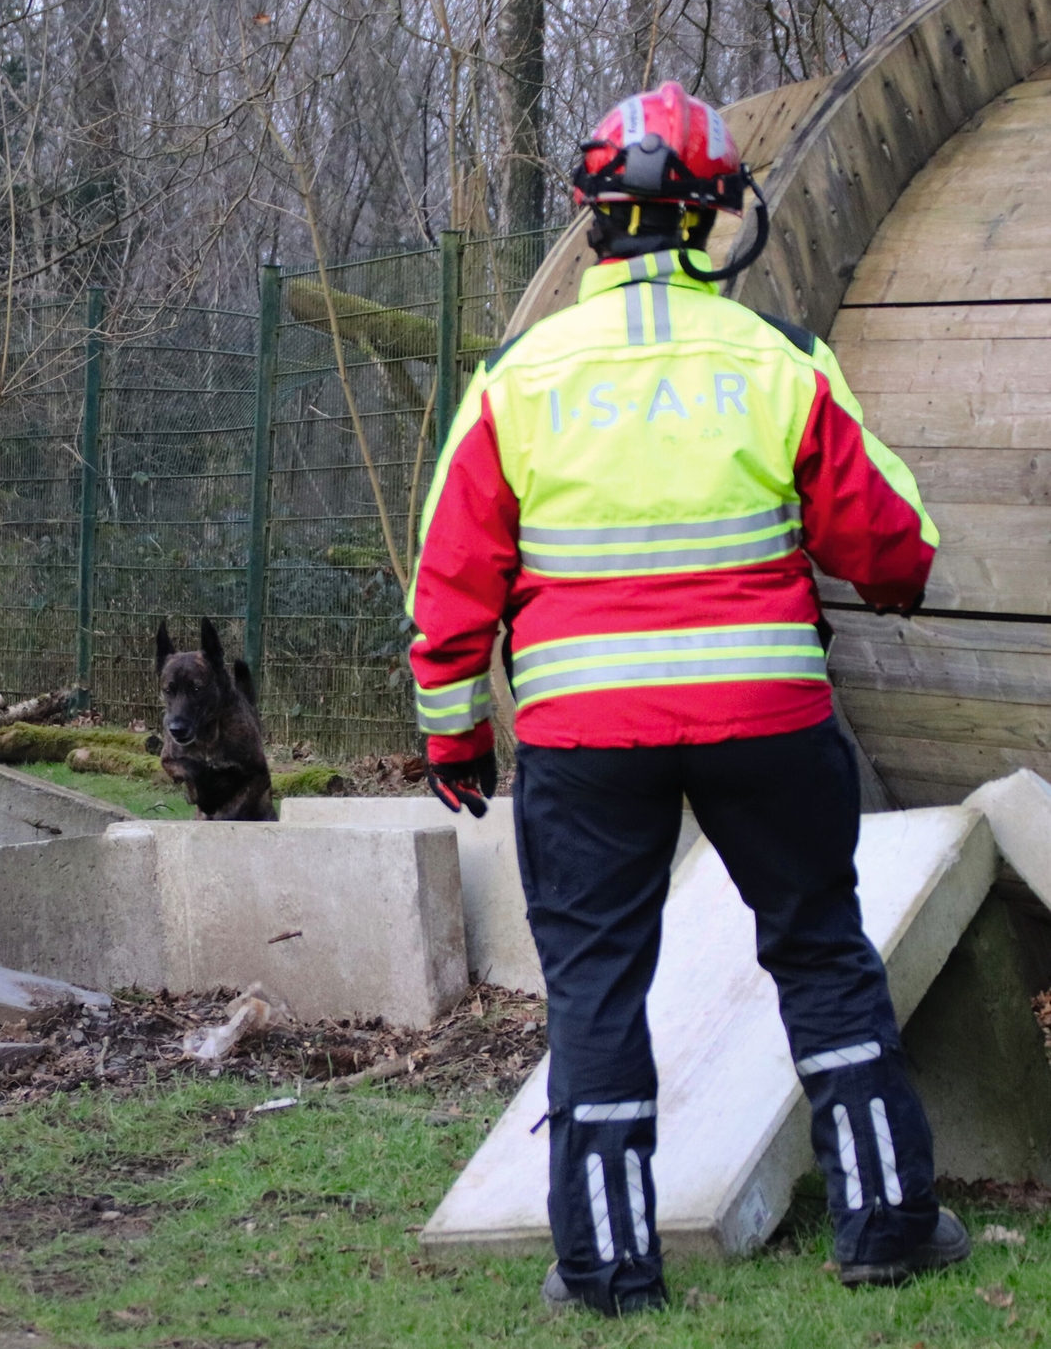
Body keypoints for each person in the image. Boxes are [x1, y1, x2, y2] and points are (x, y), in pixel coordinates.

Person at [407, 81, 967, 1315]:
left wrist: (453, 732)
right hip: (767, 719)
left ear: (592, 220)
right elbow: (893, 549)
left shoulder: (519, 375)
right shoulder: (776, 362)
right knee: (819, 948)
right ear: (716, 212)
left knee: (598, 982)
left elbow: (450, 578)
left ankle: (607, 1266)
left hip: (583, 740)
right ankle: (886, 1221)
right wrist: (888, 580)